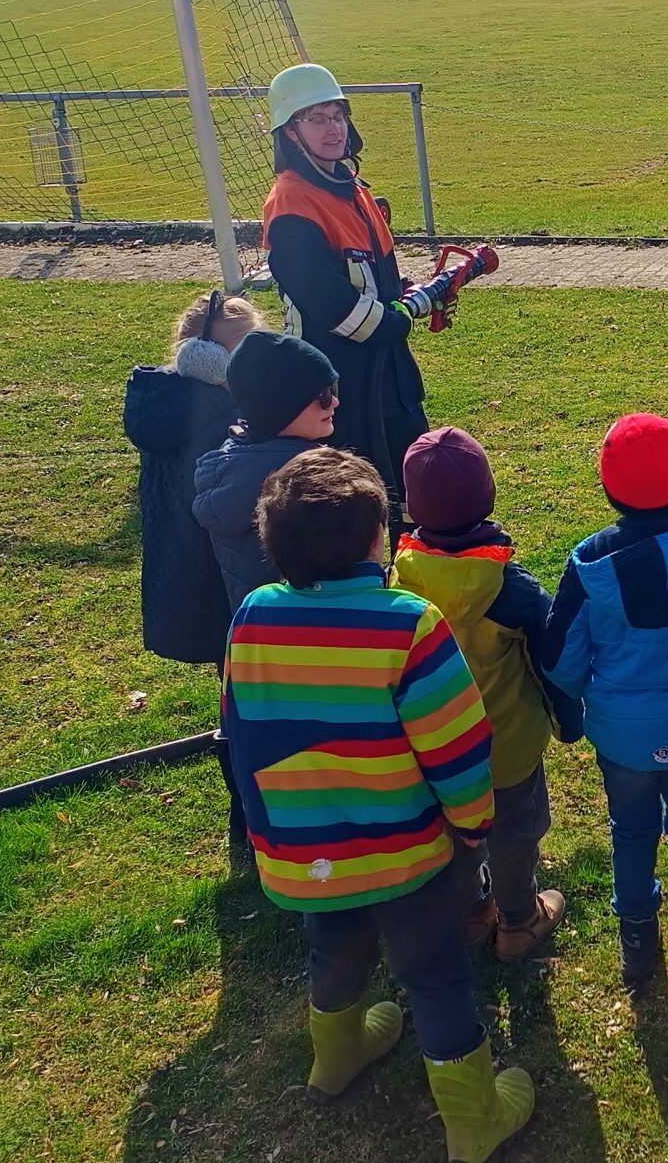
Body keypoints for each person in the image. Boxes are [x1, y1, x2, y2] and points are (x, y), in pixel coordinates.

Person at [219, 446, 534, 1163]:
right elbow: (457, 747)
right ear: (377, 540)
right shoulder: (409, 624)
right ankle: (472, 1119)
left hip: (306, 853)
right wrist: (473, 828)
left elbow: (245, 732)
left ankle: (335, 1057)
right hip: (408, 854)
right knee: (434, 976)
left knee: (333, 948)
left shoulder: (251, 616)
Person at [541, 413, 668, 987]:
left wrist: (579, 701)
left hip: (621, 735)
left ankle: (637, 942)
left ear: (605, 483)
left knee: (631, 830)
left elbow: (558, 655)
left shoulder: (588, 563)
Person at [391, 425, 578, 963]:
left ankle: (471, 912)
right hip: (508, 750)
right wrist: (569, 722)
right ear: (488, 495)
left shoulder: (396, 581)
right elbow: (552, 665)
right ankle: (519, 920)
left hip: (431, 749)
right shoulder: (512, 590)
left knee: (452, 835)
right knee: (516, 833)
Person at [261, 62, 449, 517]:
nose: (333, 129)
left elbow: (379, 279)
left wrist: (411, 290)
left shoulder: (352, 186)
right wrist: (404, 314)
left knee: (412, 498)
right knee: (354, 508)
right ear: (290, 133)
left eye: (338, 115)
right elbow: (333, 308)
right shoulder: (291, 204)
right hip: (338, 386)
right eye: (317, 118)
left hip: (390, 376)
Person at [122, 290, 261, 862]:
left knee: (234, 692)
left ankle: (248, 812)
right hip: (225, 579)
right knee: (249, 698)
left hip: (187, 577)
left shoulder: (163, 401)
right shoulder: (219, 418)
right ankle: (251, 812)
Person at [192, 331, 340, 612]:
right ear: (281, 407)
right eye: (322, 395)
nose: (334, 402)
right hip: (315, 637)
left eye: (334, 389)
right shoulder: (308, 483)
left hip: (256, 637)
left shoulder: (232, 462)